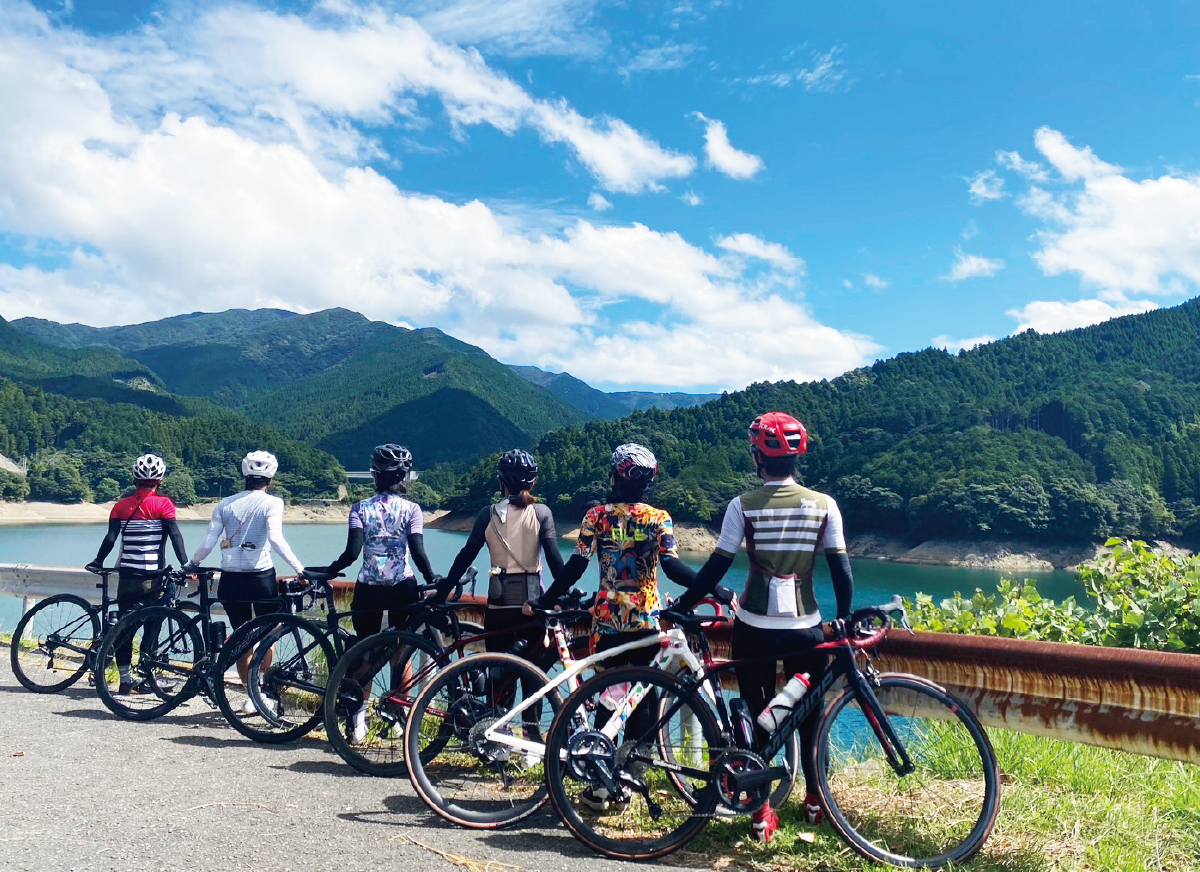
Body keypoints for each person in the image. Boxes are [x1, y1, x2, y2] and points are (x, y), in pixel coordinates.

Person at [673, 412, 854, 843]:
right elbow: (842, 572)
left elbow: (717, 563)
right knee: (807, 714)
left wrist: (683, 603)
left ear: (758, 456)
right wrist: (843, 618)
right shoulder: (824, 505)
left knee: (758, 714)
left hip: (752, 626)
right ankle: (815, 800)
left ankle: (761, 812)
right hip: (807, 626)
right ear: (797, 457)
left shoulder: (743, 505)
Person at [531, 442, 697, 810]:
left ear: (615, 474)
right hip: (647, 620)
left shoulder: (596, 517)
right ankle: (632, 777)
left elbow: (575, 566)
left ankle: (601, 785)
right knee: (643, 697)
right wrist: (712, 586)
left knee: (608, 696)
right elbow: (673, 568)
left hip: (606, 620)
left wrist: (546, 600)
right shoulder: (659, 518)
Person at [305, 443, 439, 743]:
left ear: (375, 476)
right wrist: (433, 578)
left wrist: (330, 569)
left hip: (368, 589)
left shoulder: (360, 508)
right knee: (401, 654)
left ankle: (358, 721)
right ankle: (397, 719)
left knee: (364, 652)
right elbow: (417, 552)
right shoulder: (412, 510)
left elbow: (352, 553)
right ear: (403, 477)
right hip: (403, 589)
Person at [184, 450, 306, 705]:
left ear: (244, 474)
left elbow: (208, 542)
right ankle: (260, 690)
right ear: (270, 477)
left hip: (231, 579)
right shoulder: (273, 503)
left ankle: (251, 695)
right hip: (260, 578)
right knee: (268, 632)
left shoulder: (225, 504)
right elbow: (275, 539)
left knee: (241, 637)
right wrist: (299, 568)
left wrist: (192, 564)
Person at [437, 449, 565, 669]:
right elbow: (554, 560)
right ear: (533, 484)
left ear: (500, 482)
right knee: (532, 681)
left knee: (497, 681)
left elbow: (466, 556)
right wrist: (565, 592)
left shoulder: (487, 514)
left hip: (498, 608)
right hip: (531, 608)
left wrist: (443, 589)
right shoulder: (542, 513)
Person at [86, 454, 189, 695]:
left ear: (134, 479)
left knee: (126, 626)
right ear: (160, 480)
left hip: (127, 578)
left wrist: (98, 561)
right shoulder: (164, 504)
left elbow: (111, 538)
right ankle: (148, 676)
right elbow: (175, 536)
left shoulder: (121, 505)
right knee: (152, 625)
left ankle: (124, 679)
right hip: (152, 578)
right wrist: (187, 564)